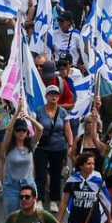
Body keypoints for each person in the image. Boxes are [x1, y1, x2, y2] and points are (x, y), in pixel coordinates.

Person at [33, 83, 74, 214]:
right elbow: (34, 128)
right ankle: (39, 199)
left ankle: (53, 200)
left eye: (56, 94)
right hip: (42, 146)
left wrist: (71, 145)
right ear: (46, 96)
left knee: (56, 174)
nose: (53, 96)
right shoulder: (39, 111)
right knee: (40, 172)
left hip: (58, 147)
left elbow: (68, 130)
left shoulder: (62, 112)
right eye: (51, 94)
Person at [1, 109, 42, 217]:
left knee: (30, 217)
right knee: (11, 219)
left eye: (23, 130)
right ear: (14, 132)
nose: (21, 132)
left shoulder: (31, 145)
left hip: (28, 185)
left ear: (27, 132)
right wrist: (17, 112)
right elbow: (8, 129)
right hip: (11, 186)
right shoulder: (8, 147)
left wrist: (28, 117)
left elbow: (40, 129)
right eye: (18, 130)